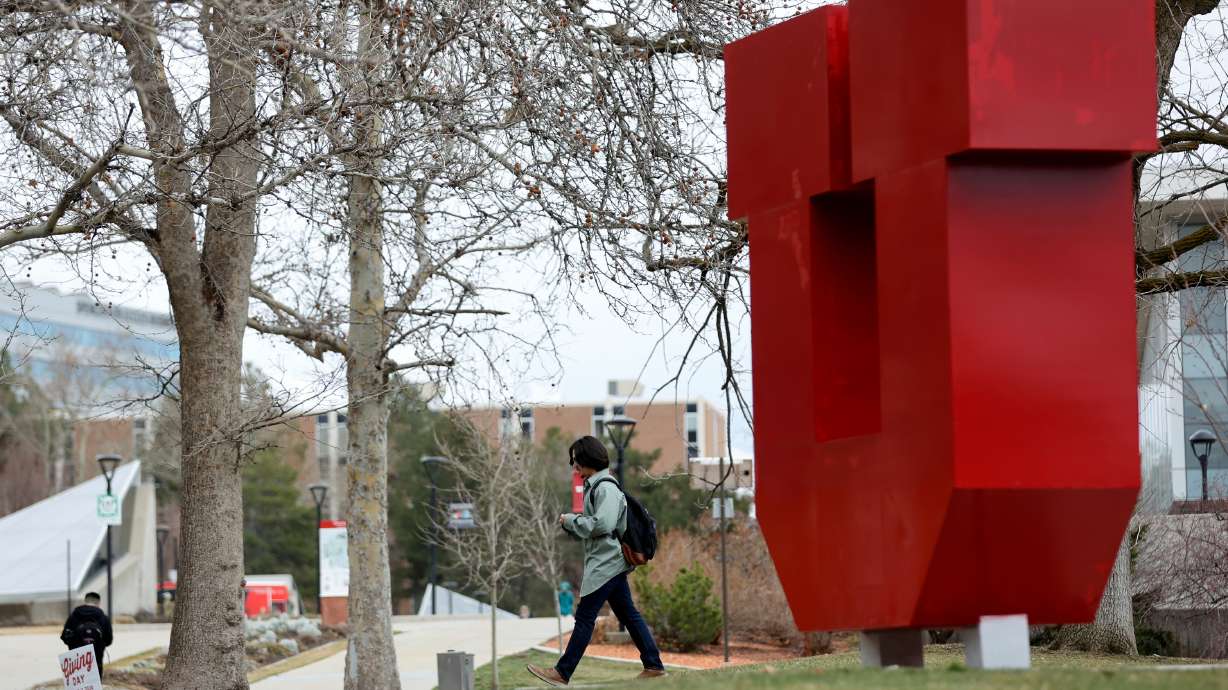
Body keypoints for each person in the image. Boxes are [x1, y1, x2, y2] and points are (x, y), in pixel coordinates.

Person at [527, 436, 666, 686]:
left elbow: (604, 524)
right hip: (608, 563)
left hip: (606, 564)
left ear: (589, 460)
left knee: (585, 618)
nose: (574, 466)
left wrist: (572, 521)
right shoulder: (597, 486)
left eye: (576, 461)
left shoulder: (605, 488)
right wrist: (576, 523)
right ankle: (654, 665)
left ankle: (562, 672)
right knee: (629, 614)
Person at [60, 592, 112, 678]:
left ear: (85, 601)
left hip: (76, 662)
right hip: (96, 659)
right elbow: (109, 640)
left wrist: (74, 644)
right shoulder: (103, 617)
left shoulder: (74, 615)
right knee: (94, 684)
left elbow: (65, 637)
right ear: (98, 603)